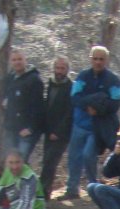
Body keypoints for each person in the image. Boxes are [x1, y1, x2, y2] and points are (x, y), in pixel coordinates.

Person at [60, 46, 120, 201]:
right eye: (95, 58)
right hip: (79, 124)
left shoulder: (113, 80)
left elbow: (115, 104)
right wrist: (89, 104)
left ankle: (93, 187)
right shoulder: (83, 76)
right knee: (74, 157)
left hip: (98, 127)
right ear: (90, 59)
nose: (98, 62)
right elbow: (74, 97)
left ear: (106, 60)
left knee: (89, 155)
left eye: (101, 59)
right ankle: (72, 189)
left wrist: (99, 110)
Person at [40, 56, 73, 200]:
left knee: (50, 161)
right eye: (57, 68)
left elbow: (69, 113)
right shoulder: (50, 83)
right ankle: (43, 191)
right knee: (47, 161)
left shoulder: (70, 87)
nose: (59, 71)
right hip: (48, 130)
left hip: (61, 133)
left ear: (67, 70)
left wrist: (58, 132)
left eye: (62, 68)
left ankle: (43, 193)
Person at [4, 50, 45, 161]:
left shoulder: (34, 79)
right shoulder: (10, 78)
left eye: (19, 59)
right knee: (11, 162)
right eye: (14, 60)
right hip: (12, 128)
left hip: (26, 131)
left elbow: (39, 107)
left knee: (21, 162)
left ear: (25, 60)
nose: (17, 62)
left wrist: (31, 128)